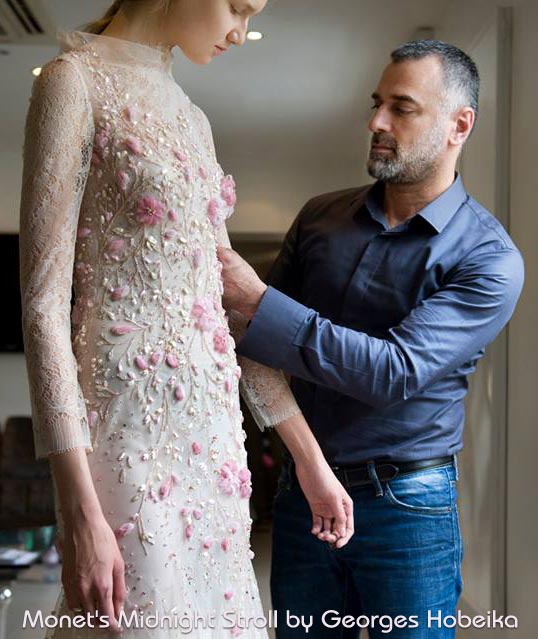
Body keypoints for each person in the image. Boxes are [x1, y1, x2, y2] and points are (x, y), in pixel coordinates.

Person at [18, 1, 354, 637]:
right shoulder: (73, 82)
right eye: (236, 7)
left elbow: (225, 306)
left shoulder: (193, 119)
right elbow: (41, 306)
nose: (238, 31)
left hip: (213, 447)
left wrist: (309, 461)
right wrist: (78, 510)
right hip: (126, 439)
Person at [218, 40, 525, 638]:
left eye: (402, 108)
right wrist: (305, 463)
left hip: (408, 511)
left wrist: (260, 304)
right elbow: (253, 346)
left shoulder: (490, 258)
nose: (375, 122)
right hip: (304, 492)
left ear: (460, 125)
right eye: (377, 103)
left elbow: (391, 372)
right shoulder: (319, 218)